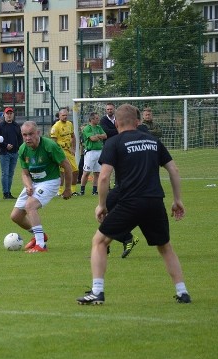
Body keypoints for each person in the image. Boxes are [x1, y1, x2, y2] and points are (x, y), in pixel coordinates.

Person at [76, 104, 191, 305]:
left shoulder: (114, 142)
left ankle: (97, 291)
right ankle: (182, 292)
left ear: (117, 123)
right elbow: (174, 170)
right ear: (137, 122)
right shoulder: (154, 141)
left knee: (99, 241)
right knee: (165, 247)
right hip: (155, 202)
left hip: (130, 202)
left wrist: (101, 205)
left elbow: (103, 177)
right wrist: (177, 200)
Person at [10, 121, 72, 253]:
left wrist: (67, 189)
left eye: (31, 134)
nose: (28, 138)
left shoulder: (50, 146)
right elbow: (25, 173)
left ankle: (40, 245)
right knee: (16, 216)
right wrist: (28, 186)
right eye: (24, 135)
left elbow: (67, 166)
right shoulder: (22, 149)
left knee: (30, 205)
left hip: (50, 181)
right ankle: (40, 235)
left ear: (38, 133)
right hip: (34, 183)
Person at [0, 107, 23, 199]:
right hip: (4, 153)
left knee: (11, 173)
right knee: (5, 173)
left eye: (11, 113)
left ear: (13, 115)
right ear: (4, 114)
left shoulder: (16, 126)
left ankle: (9, 192)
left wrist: (18, 147)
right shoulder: (0, 126)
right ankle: (5, 193)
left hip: (14, 153)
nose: (9, 115)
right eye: (7, 113)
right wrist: (5, 145)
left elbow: (20, 138)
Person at [50, 108, 78, 197]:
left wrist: (74, 148)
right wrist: (56, 153)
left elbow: (73, 136)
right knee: (62, 171)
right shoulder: (56, 126)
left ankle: (73, 190)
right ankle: (60, 190)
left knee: (75, 170)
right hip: (60, 151)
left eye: (66, 115)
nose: (65, 117)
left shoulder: (70, 124)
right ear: (59, 116)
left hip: (69, 151)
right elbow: (53, 142)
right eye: (63, 115)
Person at [79, 112, 107, 196]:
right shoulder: (87, 128)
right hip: (90, 152)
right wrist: (99, 136)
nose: (98, 119)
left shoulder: (98, 127)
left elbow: (105, 136)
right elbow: (92, 138)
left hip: (99, 151)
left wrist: (97, 136)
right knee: (86, 172)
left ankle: (94, 191)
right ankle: (82, 190)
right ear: (92, 119)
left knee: (97, 173)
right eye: (97, 118)